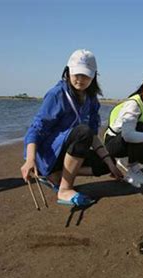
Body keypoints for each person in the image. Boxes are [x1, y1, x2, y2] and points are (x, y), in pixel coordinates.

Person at [21, 49, 123, 207]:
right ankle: (64, 188)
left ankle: (57, 175)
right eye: (77, 74)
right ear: (68, 72)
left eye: (86, 75)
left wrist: (109, 162)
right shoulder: (57, 94)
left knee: (106, 162)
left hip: (72, 148)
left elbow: (92, 136)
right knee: (83, 131)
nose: (81, 79)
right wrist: (30, 160)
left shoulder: (91, 100)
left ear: (94, 75)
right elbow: (36, 128)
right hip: (50, 154)